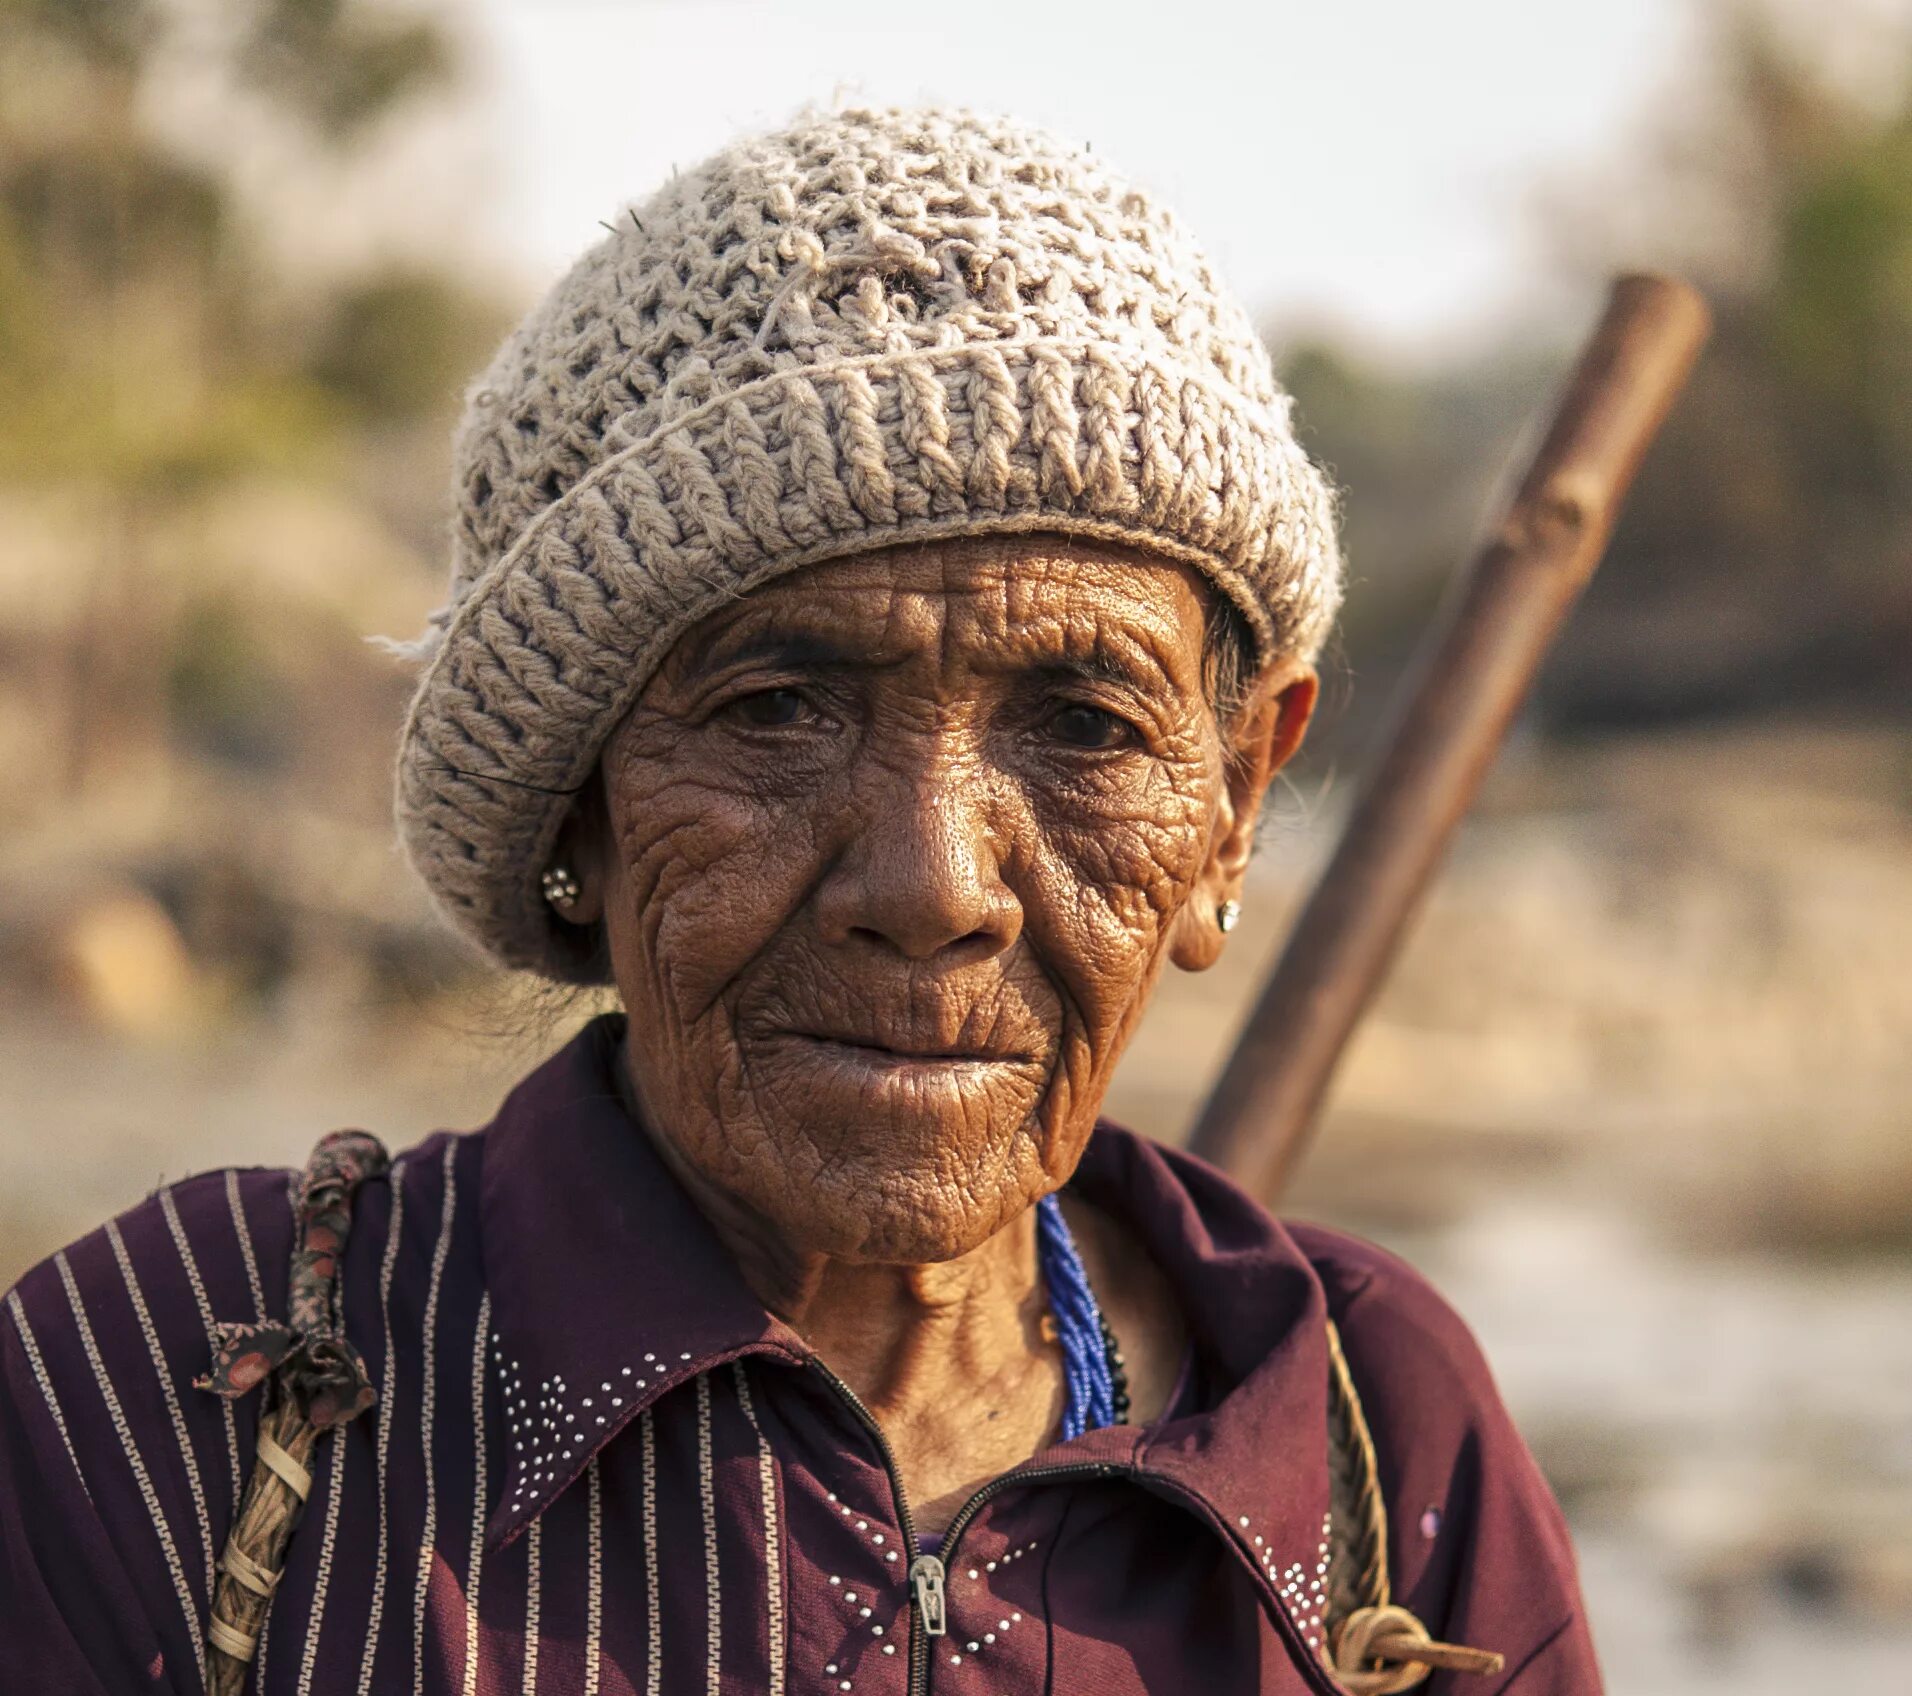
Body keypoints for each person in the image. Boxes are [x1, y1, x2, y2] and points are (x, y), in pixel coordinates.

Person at [0, 106, 1600, 1694]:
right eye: (778, 708)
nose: (934, 886)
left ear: (1235, 807)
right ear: (579, 798)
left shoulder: (1372, 1432)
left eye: (1086, 726)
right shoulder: (166, 1402)